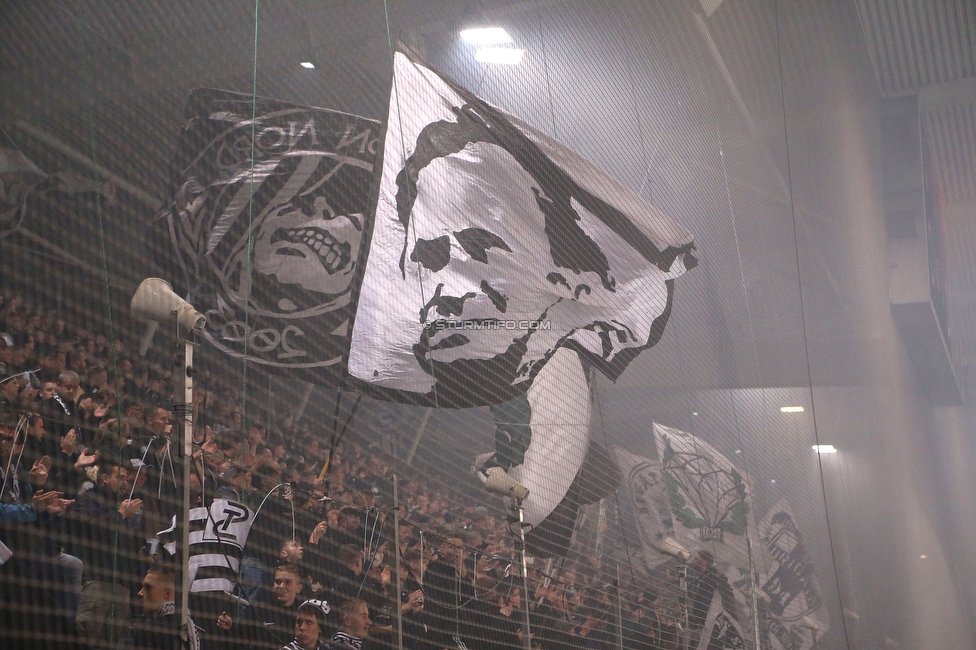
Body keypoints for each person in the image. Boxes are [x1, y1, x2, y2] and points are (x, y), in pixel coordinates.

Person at [66, 457, 145, 650]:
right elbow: (94, 529)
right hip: (96, 583)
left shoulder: (123, 507)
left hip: (120, 587)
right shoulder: (87, 499)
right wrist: (120, 516)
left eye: (127, 478)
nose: (124, 482)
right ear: (104, 478)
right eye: (120, 477)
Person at [124, 565, 181, 650]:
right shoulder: (192, 628)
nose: (140, 593)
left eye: (148, 587)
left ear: (167, 594)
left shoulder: (149, 631)